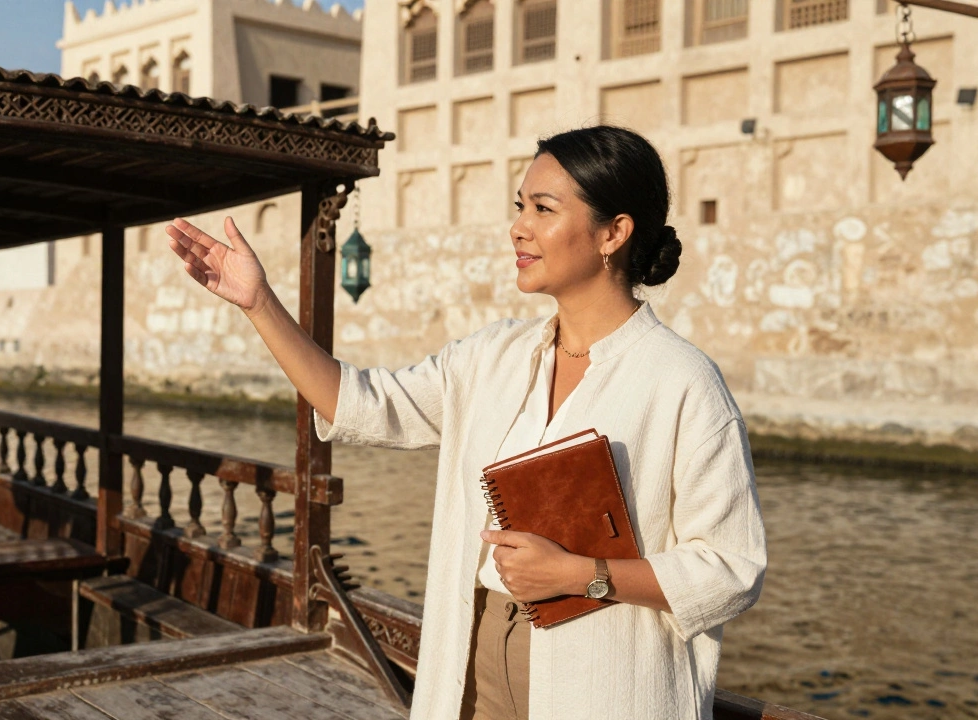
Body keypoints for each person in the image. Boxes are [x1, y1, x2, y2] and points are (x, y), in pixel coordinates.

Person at [165, 125, 767, 720]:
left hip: (605, 676)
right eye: (520, 206)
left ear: (613, 232)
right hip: (474, 653)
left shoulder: (682, 380)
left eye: (543, 208)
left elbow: (731, 569)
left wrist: (582, 575)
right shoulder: (492, 356)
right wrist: (260, 303)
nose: (519, 227)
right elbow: (363, 402)